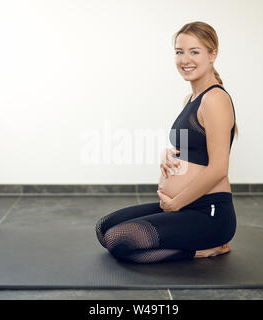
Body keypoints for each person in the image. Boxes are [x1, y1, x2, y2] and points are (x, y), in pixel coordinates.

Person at [95, 21, 238, 263]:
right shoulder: (190, 99)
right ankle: (192, 237)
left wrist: (176, 203)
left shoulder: (215, 99)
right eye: (179, 52)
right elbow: (192, 148)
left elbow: (218, 168)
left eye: (195, 51)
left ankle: (208, 247)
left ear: (213, 54)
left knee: (119, 239)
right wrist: (170, 154)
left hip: (209, 212)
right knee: (104, 228)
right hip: (184, 207)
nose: (185, 59)